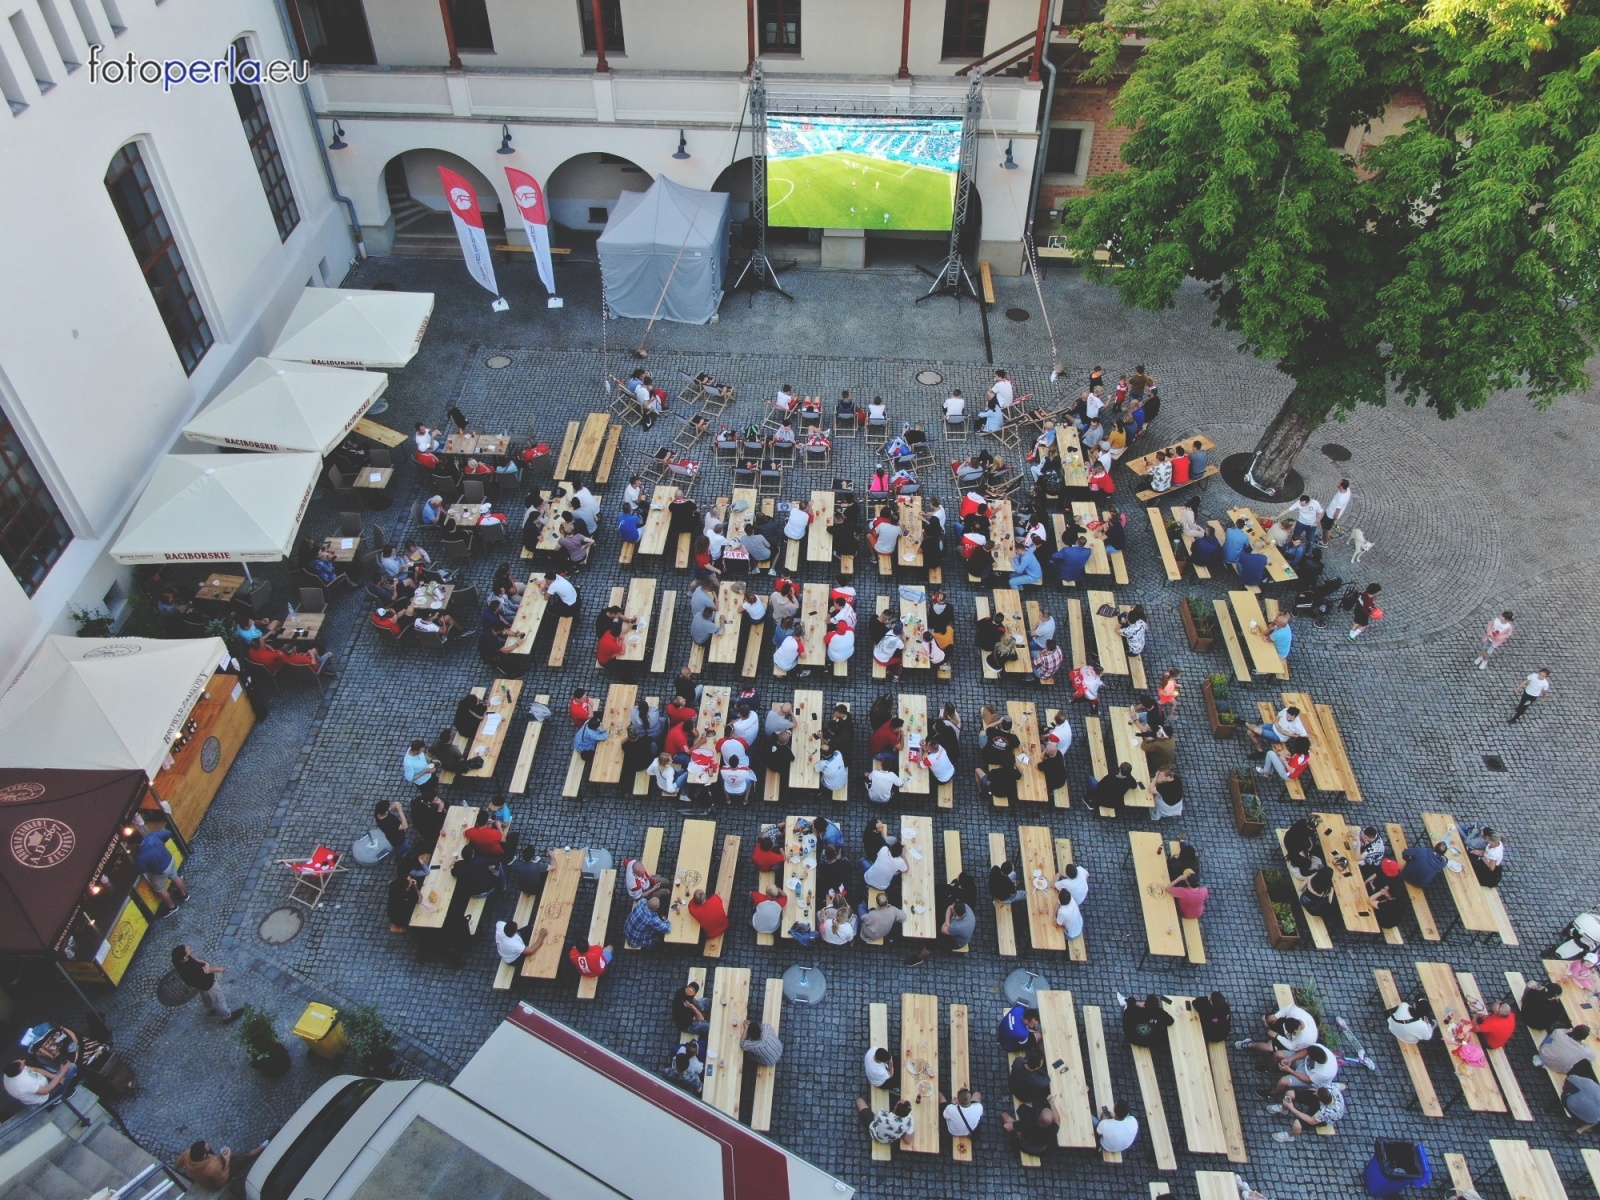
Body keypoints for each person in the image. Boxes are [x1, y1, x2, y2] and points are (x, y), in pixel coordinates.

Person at [170, 945, 237, 1020]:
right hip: (208, 984)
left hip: (199, 985)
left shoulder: (177, 960)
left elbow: (193, 960)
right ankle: (227, 1016)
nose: (189, 947)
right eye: (187, 949)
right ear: (184, 956)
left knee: (207, 997)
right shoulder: (192, 969)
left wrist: (202, 962)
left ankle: (211, 1010)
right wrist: (219, 968)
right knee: (219, 999)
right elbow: (207, 971)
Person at [132, 826, 187, 912]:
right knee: (175, 876)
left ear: (133, 844)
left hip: (161, 871)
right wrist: (162, 842)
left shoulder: (140, 856)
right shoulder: (152, 837)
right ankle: (184, 895)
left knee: (159, 889)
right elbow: (168, 832)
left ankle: (172, 907)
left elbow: (142, 869)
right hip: (170, 860)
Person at [174, 1139, 266, 1188]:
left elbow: (178, 1164)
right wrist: (227, 1159)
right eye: (207, 1147)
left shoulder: (187, 1154)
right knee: (246, 1156)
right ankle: (264, 1146)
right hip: (220, 1176)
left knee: (236, 1157)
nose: (209, 1145)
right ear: (204, 1156)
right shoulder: (212, 1168)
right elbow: (223, 1180)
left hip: (214, 1169)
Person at [1237, 1000, 1318, 1055]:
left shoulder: (1306, 1039)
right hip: (1285, 1033)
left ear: (1298, 1028)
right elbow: (1288, 1008)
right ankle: (1270, 1036)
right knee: (1265, 1019)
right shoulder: (1295, 1012)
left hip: (1291, 1044)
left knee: (1269, 1048)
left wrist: (1277, 1036)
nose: (1292, 1034)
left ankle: (1249, 1044)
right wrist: (1276, 1016)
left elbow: (1292, 1047)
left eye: (1293, 1033)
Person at [1272, 1084, 1345, 1141]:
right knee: (1290, 1093)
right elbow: (1343, 1086)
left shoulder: (1326, 1112)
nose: (1314, 1093)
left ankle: (1289, 1136)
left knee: (1297, 1125)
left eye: (1316, 1093)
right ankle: (1284, 1109)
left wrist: (1292, 1108)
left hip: (1324, 1119)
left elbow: (1311, 1120)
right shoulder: (1332, 1087)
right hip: (1320, 1103)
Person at [1269, 1043, 1339, 1097]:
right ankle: (1270, 1068)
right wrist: (1291, 1059)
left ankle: (1272, 1094)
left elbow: (1308, 1080)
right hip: (1304, 1061)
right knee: (1278, 1054)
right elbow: (1307, 1051)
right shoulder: (1318, 1048)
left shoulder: (1324, 1073)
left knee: (1283, 1082)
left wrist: (1290, 1070)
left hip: (1309, 1076)